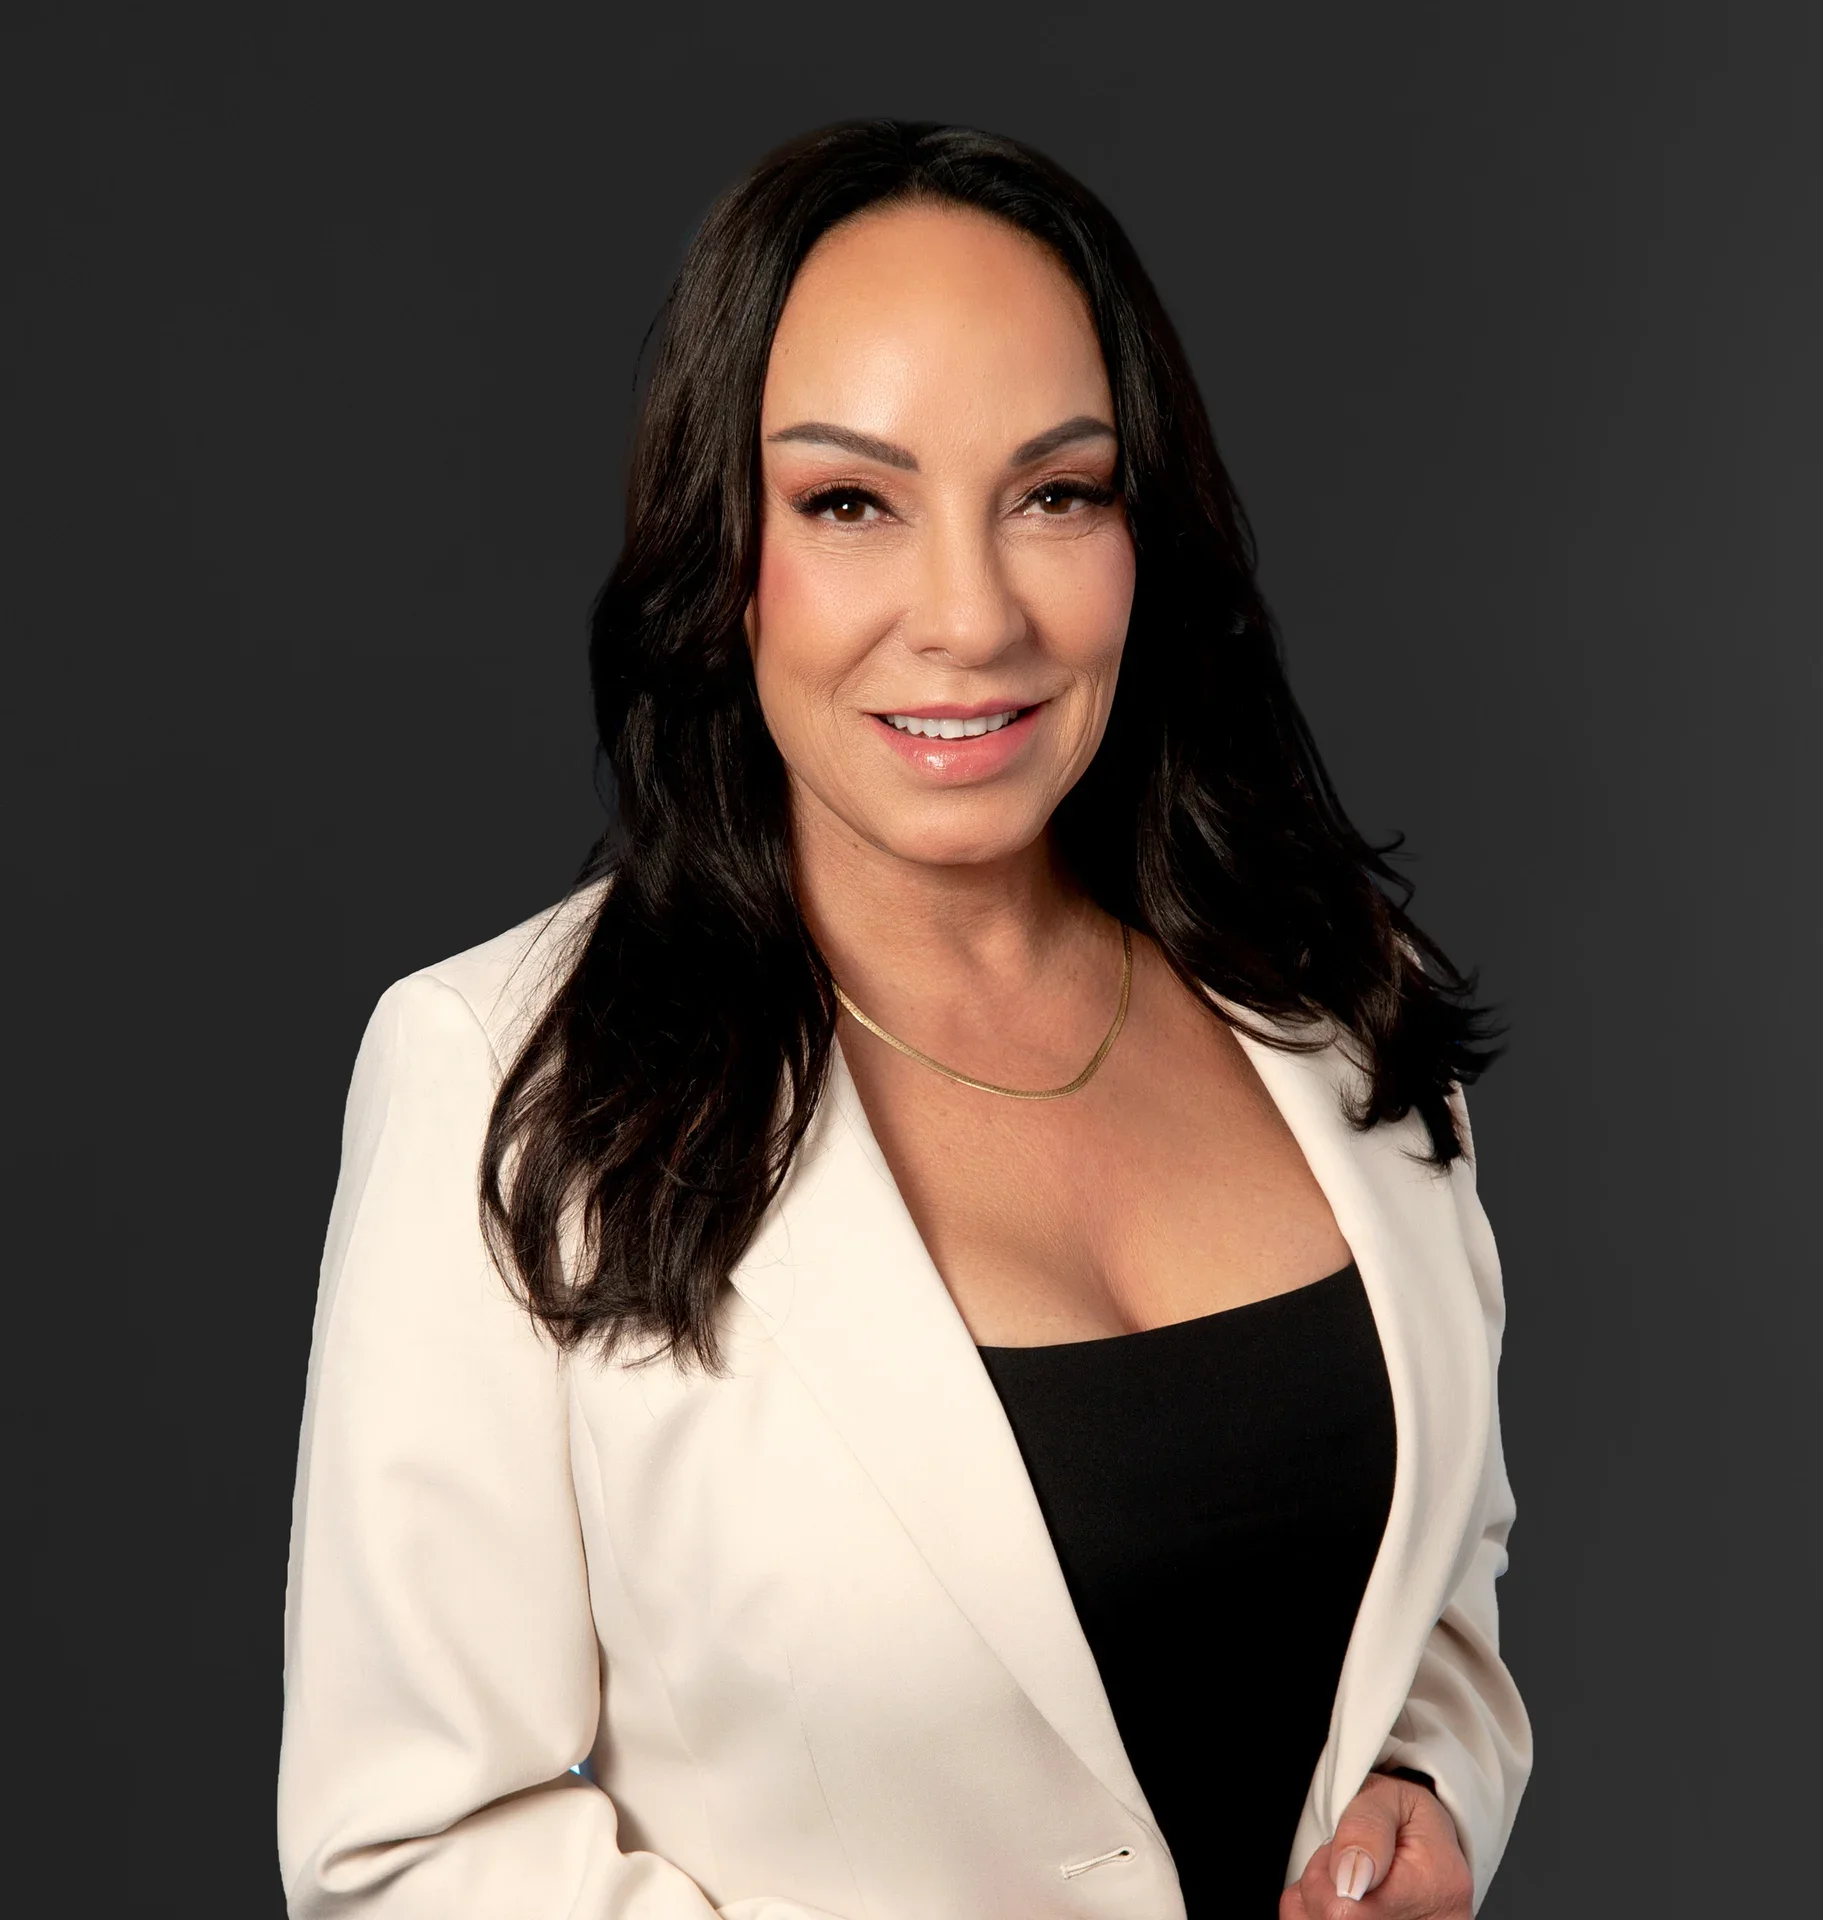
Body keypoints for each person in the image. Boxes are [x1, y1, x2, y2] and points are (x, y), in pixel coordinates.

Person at [278, 120, 1530, 1920]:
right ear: (729, 558)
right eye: (851, 502)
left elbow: (1441, 1587)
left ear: (1142, 538)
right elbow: (403, 1853)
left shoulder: (1333, 1001)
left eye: (1058, 493)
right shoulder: (507, 1086)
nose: (971, 614)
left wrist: (1431, 1787)